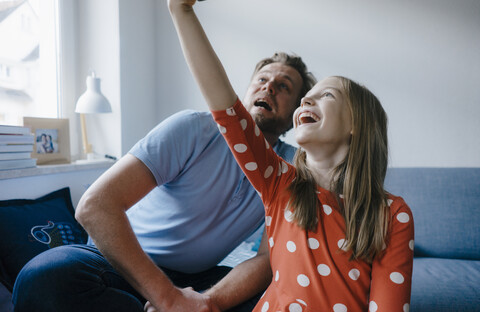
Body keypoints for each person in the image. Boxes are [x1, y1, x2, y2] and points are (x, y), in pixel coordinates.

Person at [12, 39, 316, 312]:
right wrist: (167, 298)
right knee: (43, 277)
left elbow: (267, 258)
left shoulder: (294, 169)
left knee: (285, 294)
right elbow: (95, 207)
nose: (269, 87)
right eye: (261, 80)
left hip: (198, 282)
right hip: (120, 262)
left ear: (294, 113)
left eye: (284, 85)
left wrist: (206, 302)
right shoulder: (195, 128)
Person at [164, 0, 415, 311]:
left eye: (326, 96)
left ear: (357, 125)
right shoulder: (279, 183)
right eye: (306, 97)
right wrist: (181, 10)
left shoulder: (393, 214)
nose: (306, 101)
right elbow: (226, 108)